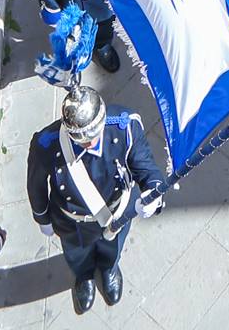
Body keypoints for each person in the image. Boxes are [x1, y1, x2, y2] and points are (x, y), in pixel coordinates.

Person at [26, 81, 165, 317]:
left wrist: (153, 191)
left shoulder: (124, 125)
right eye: (81, 138)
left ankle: (109, 269)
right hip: (73, 221)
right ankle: (84, 276)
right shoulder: (46, 144)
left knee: (113, 248)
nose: (89, 143)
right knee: (77, 254)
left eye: (93, 133)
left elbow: (145, 165)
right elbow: (36, 184)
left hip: (115, 213)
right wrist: (43, 218)